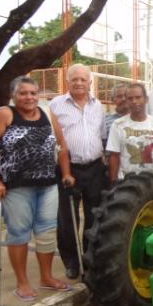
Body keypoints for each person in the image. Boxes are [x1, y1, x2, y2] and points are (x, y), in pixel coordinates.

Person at [0, 76, 74, 300]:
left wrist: (66, 173)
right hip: (16, 187)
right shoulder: (4, 114)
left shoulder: (47, 113)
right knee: (19, 234)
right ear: (13, 95)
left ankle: (46, 277)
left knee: (47, 232)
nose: (29, 97)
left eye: (32, 93)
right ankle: (22, 282)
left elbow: (62, 147)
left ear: (38, 95)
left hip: (48, 185)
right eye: (23, 93)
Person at [49, 64, 105, 279]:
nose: (79, 83)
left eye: (83, 79)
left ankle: (89, 258)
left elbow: (100, 135)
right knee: (67, 218)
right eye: (75, 79)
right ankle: (72, 262)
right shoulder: (55, 105)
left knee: (94, 216)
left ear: (90, 82)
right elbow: (54, 140)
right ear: (67, 81)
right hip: (67, 168)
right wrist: (65, 171)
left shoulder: (98, 105)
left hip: (94, 168)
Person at [106, 83, 153, 184]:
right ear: (127, 101)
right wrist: (113, 182)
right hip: (126, 181)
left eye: (138, 97)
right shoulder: (118, 124)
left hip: (152, 181)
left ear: (146, 99)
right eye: (130, 98)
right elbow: (114, 156)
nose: (134, 101)